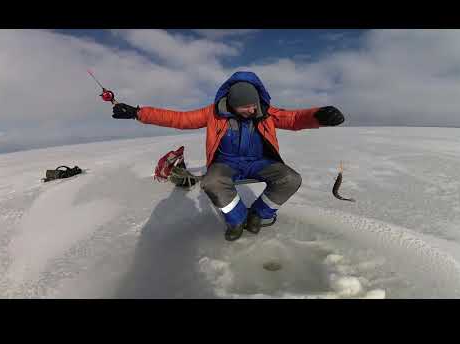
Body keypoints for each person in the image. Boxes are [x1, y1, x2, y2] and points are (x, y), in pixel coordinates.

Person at [111, 71, 345, 241]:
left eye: (254, 105)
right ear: (232, 105)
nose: (252, 110)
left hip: (259, 162)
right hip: (226, 163)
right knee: (211, 182)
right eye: (246, 107)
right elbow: (179, 119)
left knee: (291, 178)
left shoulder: (266, 112)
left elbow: (294, 119)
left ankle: (259, 215)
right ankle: (236, 220)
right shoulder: (213, 113)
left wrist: (319, 116)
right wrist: (137, 113)